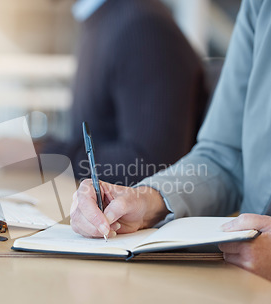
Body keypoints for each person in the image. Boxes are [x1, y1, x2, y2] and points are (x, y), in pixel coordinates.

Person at [70, 0, 271, 297]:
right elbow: (224, 156)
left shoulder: (141, 27)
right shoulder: (268, 6)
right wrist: (149, 200)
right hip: (253, 286)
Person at [42, 0, 208, 186]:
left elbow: (151, 165)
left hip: (123, 213)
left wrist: (45, 157)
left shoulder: (142, 27)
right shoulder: (105, 21)